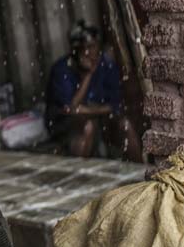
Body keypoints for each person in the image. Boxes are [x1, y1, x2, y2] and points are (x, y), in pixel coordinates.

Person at [45, 20, 142, 161]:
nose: (90, 52)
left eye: (93, 46)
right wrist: (88, 75)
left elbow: (115, 104)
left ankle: (140, 171)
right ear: (75, 50)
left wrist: (88, 110)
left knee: (125, 125)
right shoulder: (61, 70)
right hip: (67, 124)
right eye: (86, 48)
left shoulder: (105, 65)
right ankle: (79, 173)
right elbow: (70, 109)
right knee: (87, 126)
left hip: (100, 117)